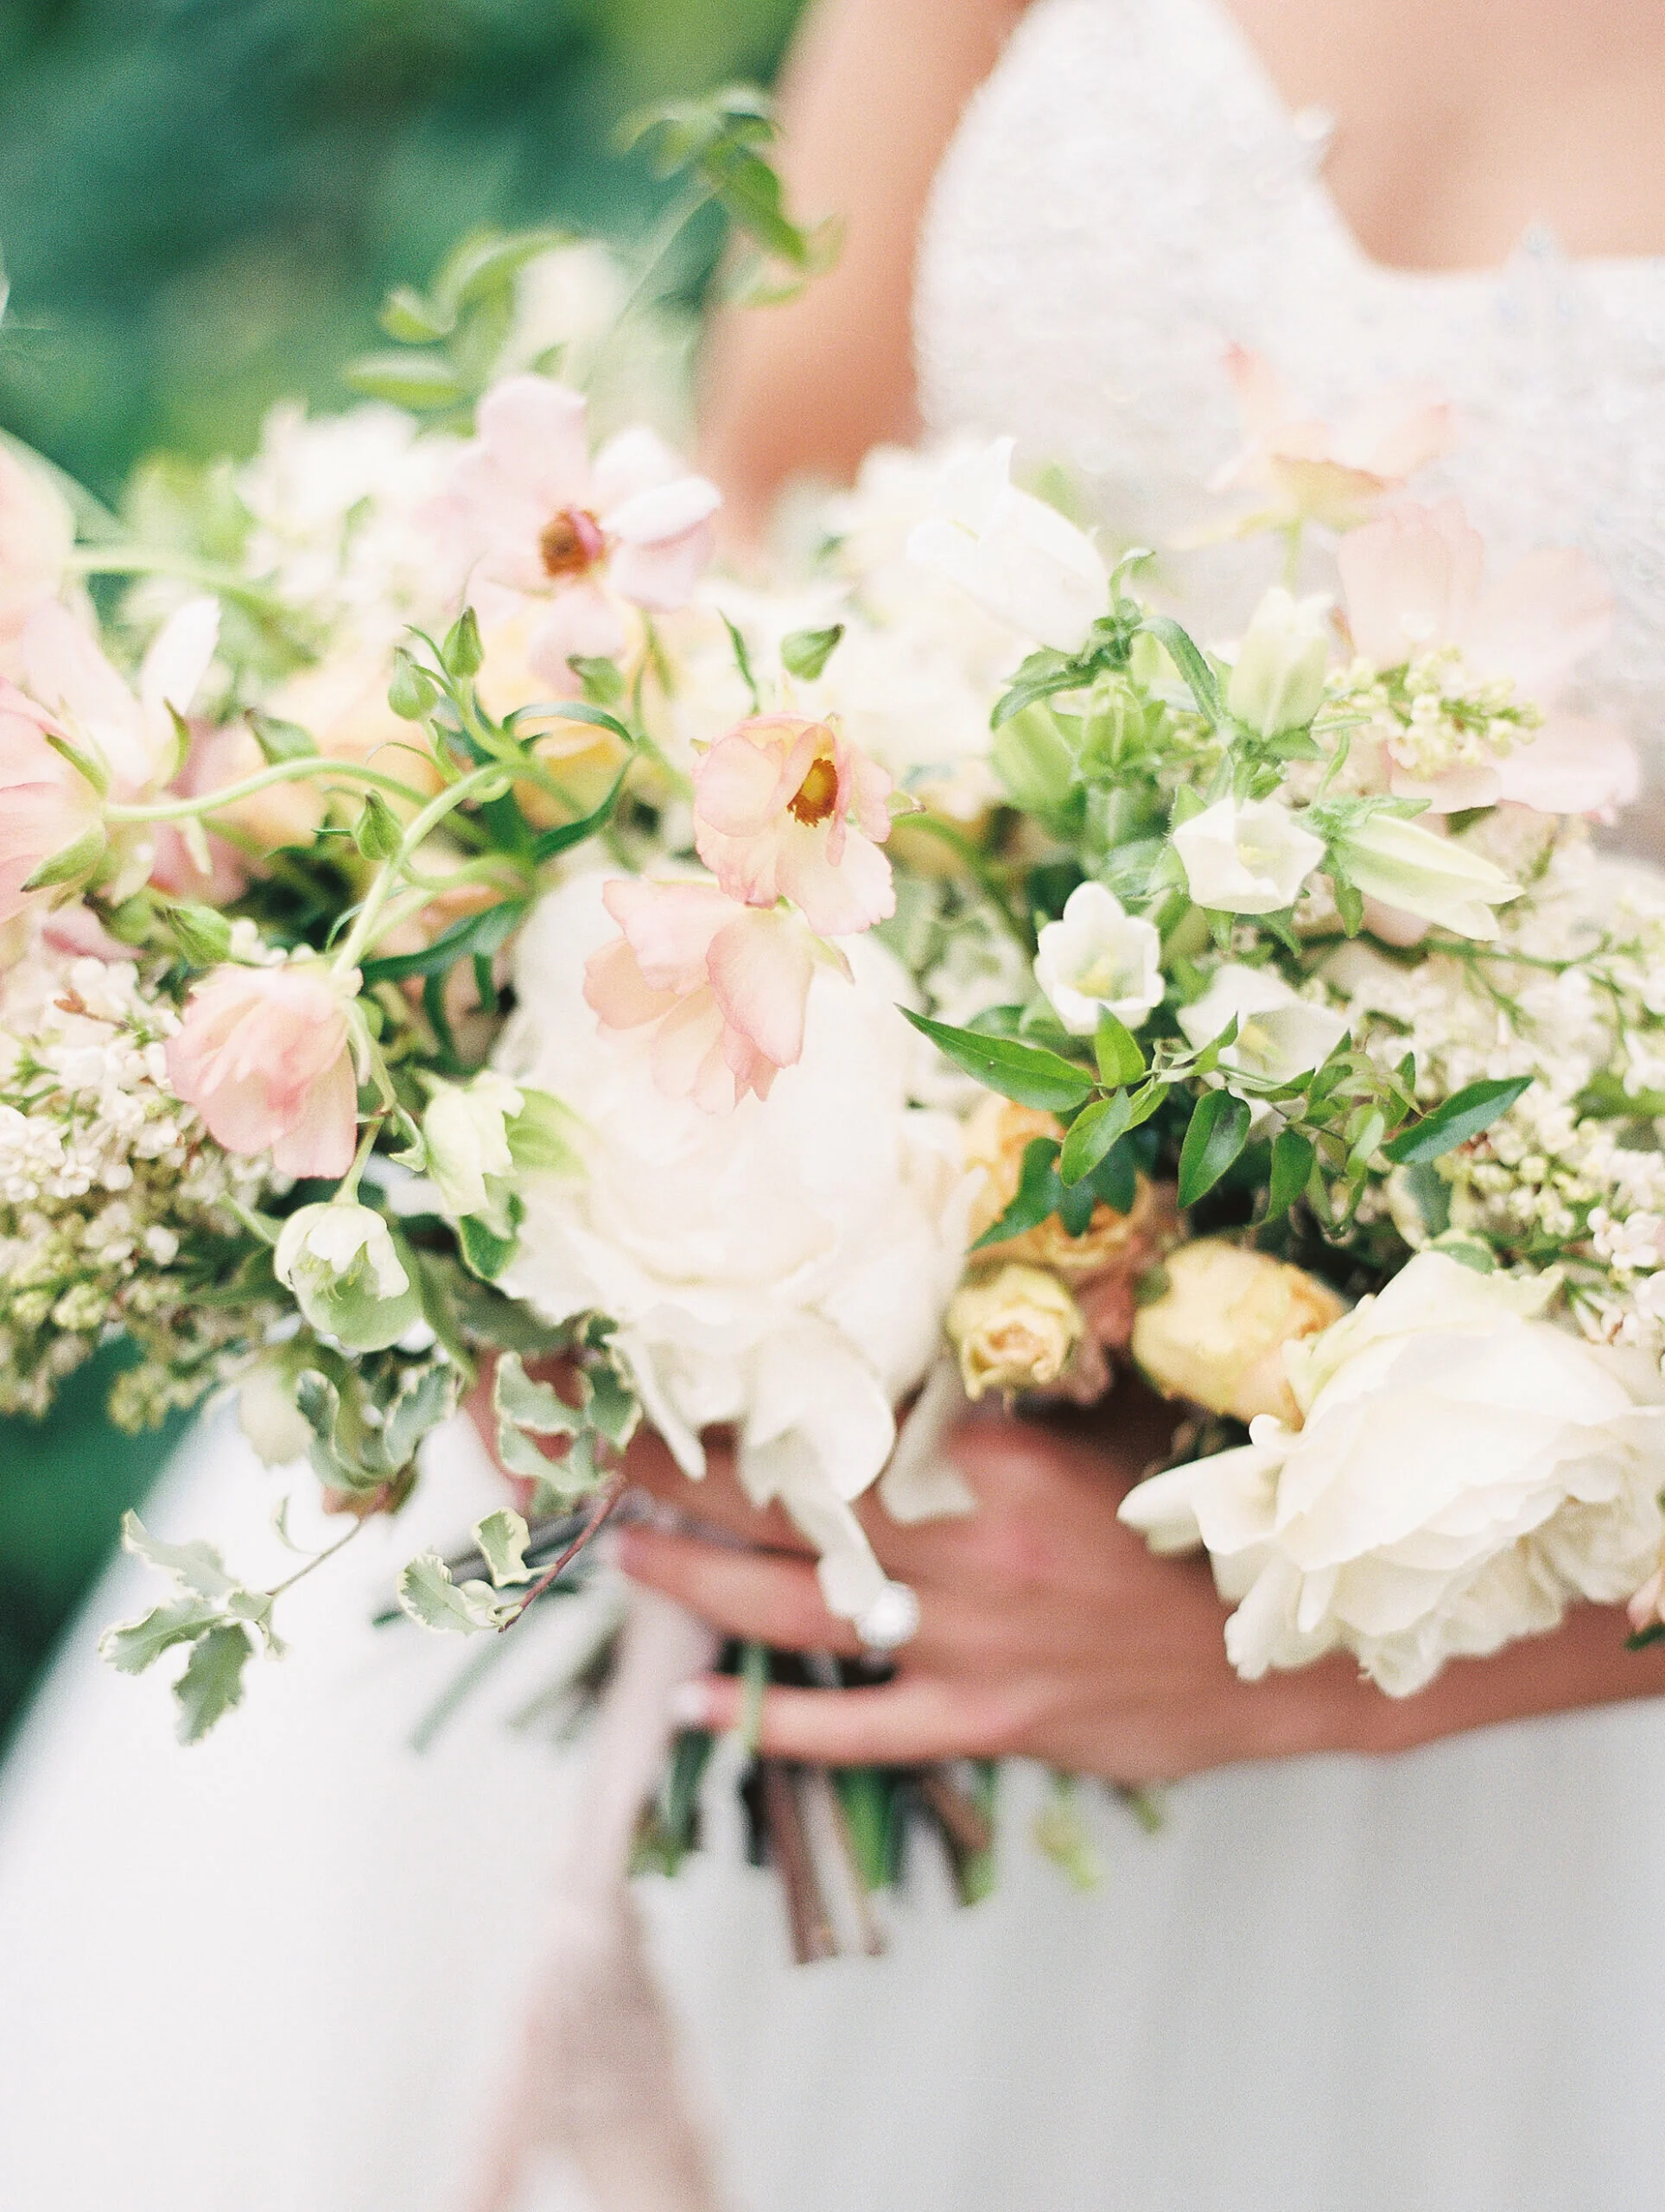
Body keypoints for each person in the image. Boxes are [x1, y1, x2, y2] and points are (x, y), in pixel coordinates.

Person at [5, 2, 1665, 2206]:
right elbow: (780, 488)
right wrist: (546, 1139)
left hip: (1463, 1743)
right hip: (738, 1464)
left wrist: (1387, 1662)